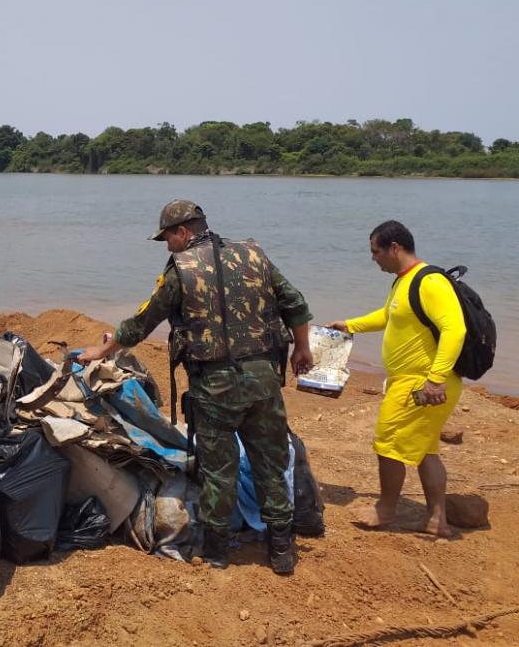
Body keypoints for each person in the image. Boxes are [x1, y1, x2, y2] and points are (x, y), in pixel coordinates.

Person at [77, 200, 313, 574]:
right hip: (264, 380)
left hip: (215, 387)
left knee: (219, 468)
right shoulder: (254, 255)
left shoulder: (181, 271)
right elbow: (295, 304)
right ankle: (281, 548)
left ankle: (219, 552)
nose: (167, 246)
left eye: (168, 238)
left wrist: (101, 350)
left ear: (183, 232)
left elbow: (141, 323)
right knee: (270, 461)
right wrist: (302, 348)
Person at [326, 220, 465, 537]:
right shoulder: (404, 282)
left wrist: (436, 379)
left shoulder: (430, 282)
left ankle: (385, 510)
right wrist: (349, 325)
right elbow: (388, 316)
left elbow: (455, 329)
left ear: (395, 248)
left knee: (387, 443)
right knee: (427, 450)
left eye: (375, 251)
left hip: (422, 382)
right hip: (417, 381)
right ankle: (438, 520)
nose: (373, 258)